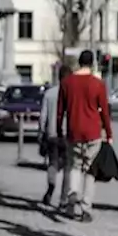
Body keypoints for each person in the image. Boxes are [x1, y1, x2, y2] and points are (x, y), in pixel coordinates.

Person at [55, 49, 113, 222]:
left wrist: (59, 131)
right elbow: (104, 113)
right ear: (92, 63)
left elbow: (60, 111)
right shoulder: (98, 84)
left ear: (79, 62)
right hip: (93, 133)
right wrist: (108, 134)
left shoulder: (67, 83)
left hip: (73, 131)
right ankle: (86, 208)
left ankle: (72, 198)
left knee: (74, 166)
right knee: (89, 170)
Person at [38, 64, 74, 207]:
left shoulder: (49, 93)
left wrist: (41, 132)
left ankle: (51, 186)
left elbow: (43, 116)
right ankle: (63, 199)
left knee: (52, 163)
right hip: (67, 134)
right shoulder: (72, 94)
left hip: (52, 134)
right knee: (67, 167)